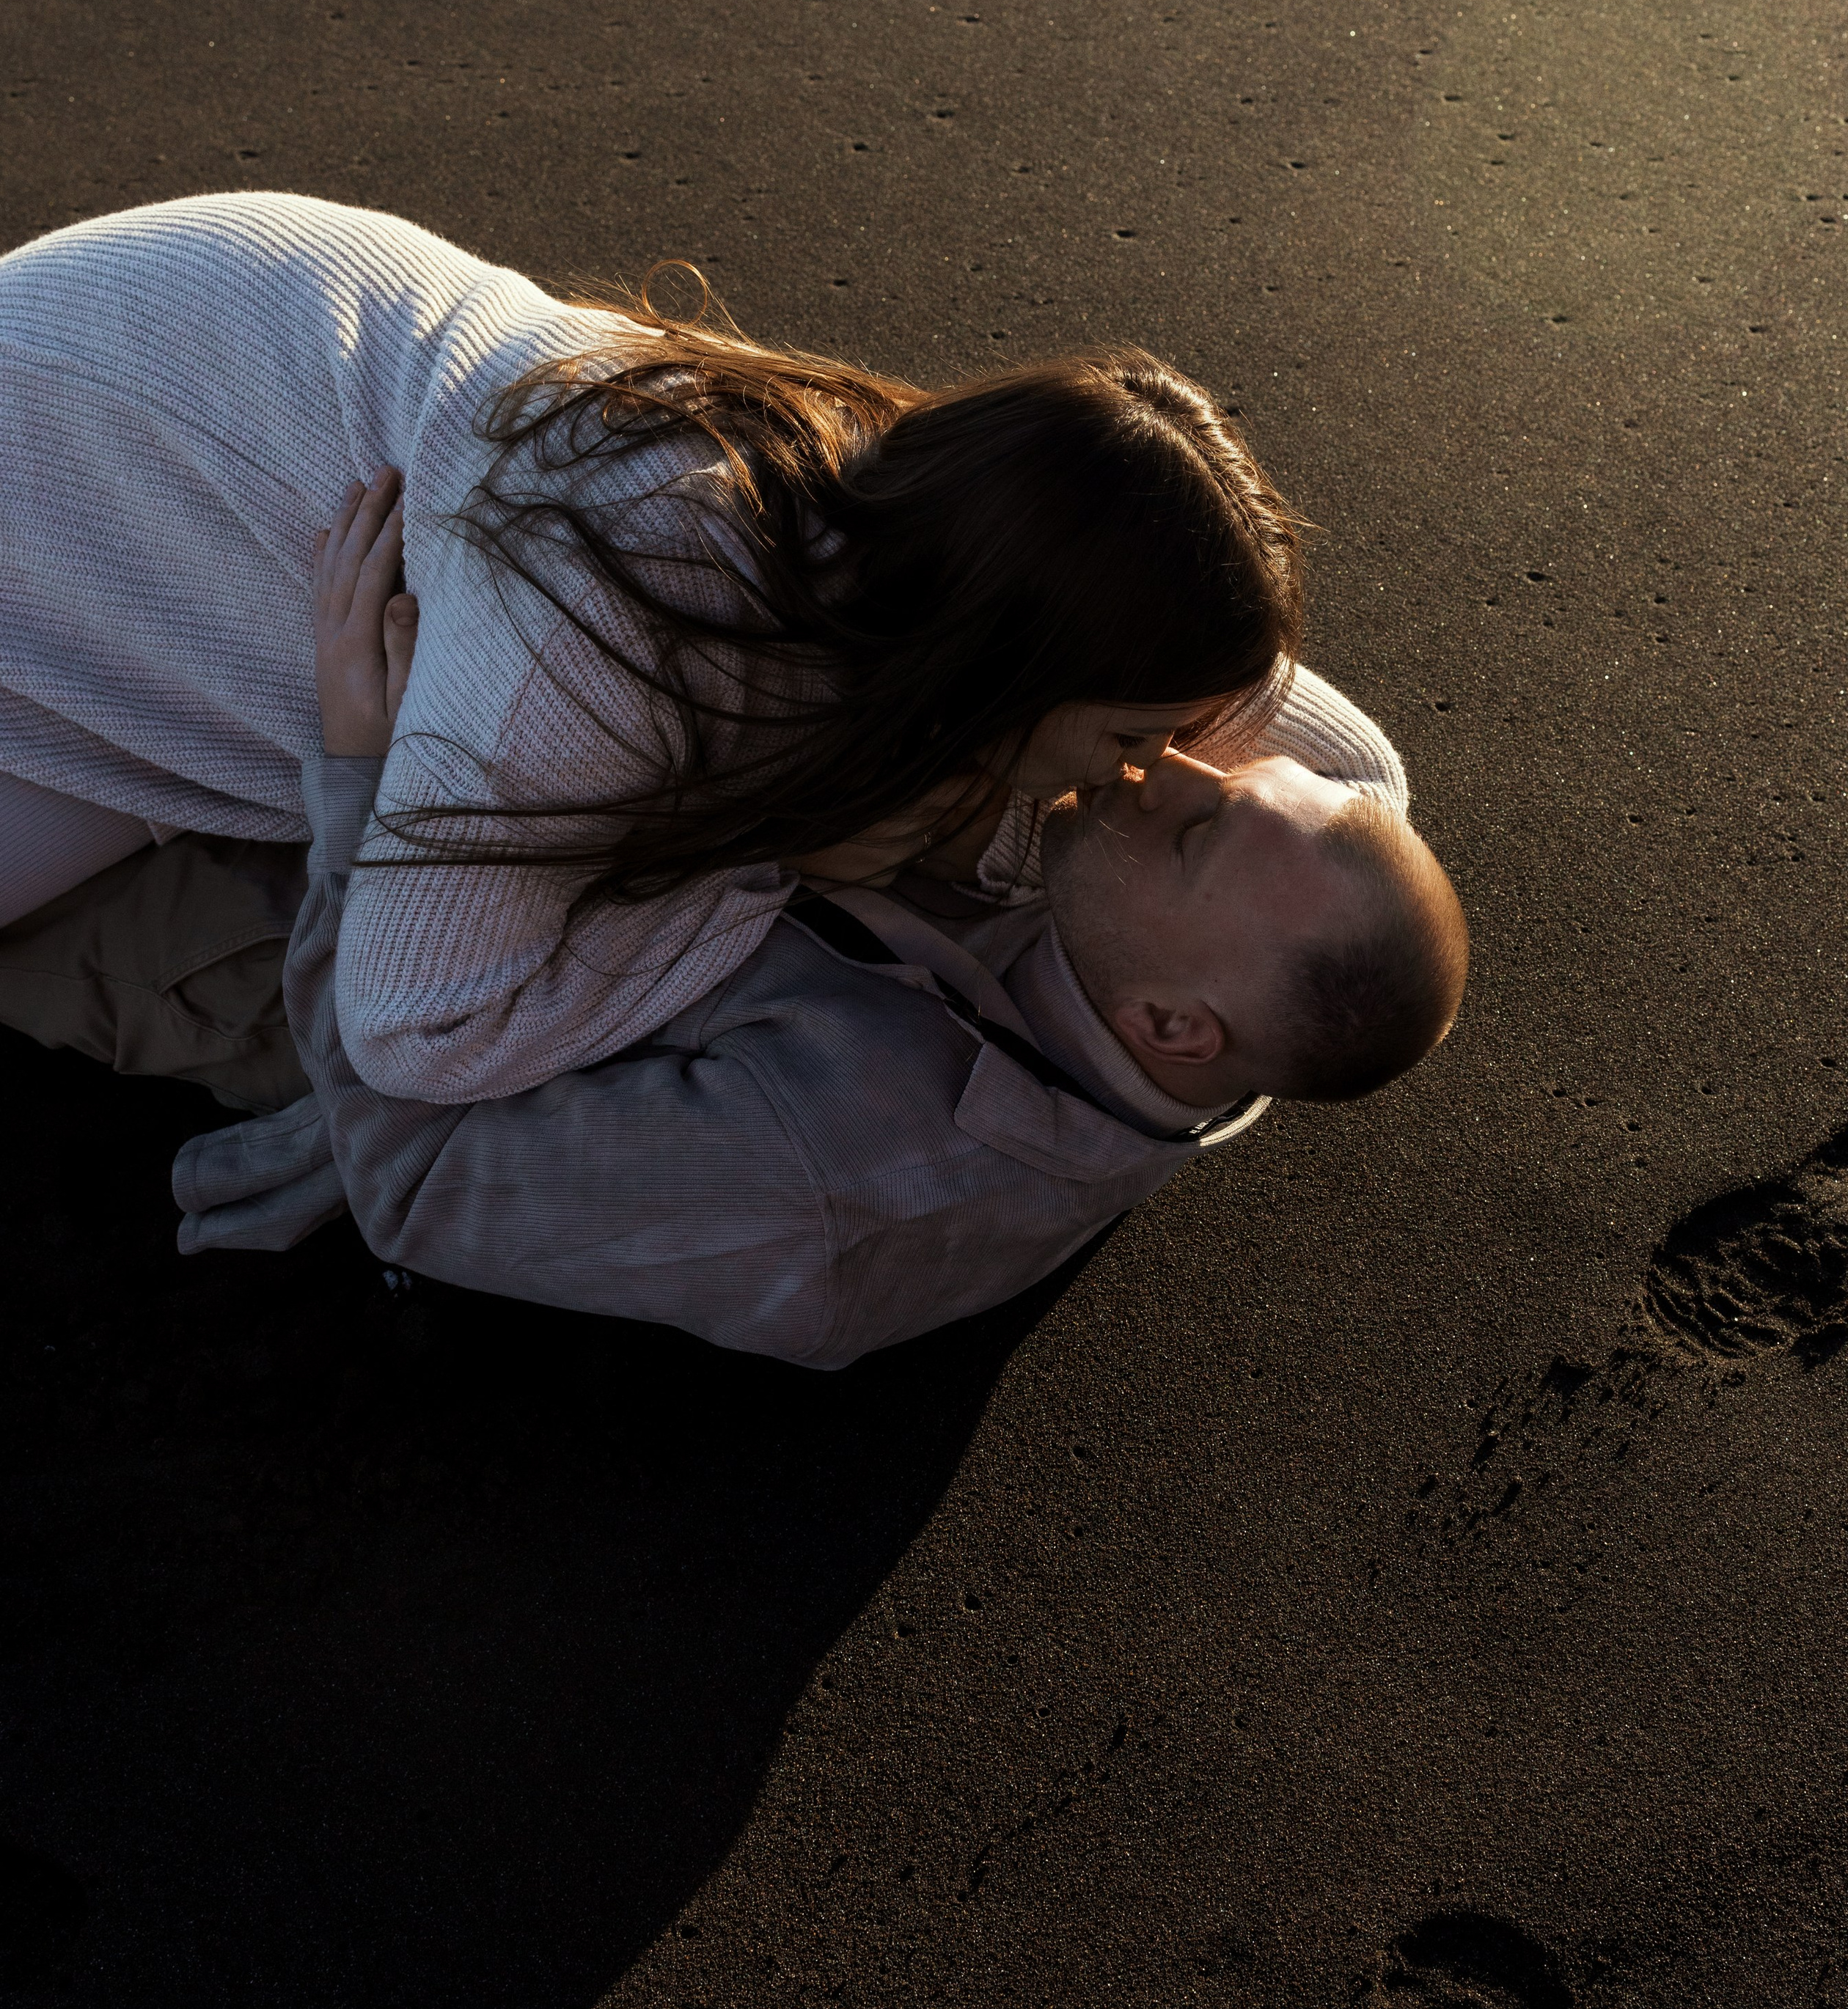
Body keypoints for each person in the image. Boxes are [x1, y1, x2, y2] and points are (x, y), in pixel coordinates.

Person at [0, 514, 1467, 1369]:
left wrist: (358, 783)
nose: (1172, 766)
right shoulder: (1149, 965)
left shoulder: (833, 1177)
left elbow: (414, 1177)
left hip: (305, 952)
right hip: (565, 840)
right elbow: (1349, 766)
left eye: (1199, 827)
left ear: (1174, 1029)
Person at [0, 189, 1328, 1108]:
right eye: (1136, 736)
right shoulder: (622, 611)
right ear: (1016, 662)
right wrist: (777, 857)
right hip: (76, 484)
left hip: (209, 359)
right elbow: (413, 1030)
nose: (1168, 769)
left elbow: (1353, 767)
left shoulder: (953, 514)